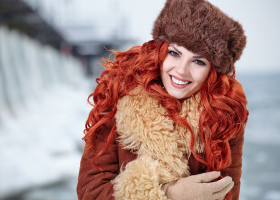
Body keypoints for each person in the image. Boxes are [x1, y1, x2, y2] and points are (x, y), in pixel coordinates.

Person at [77, 0, 248, 199]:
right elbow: (90, 190)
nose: (182, 70)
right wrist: (168, 194)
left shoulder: (224, 115)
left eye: (198, 61)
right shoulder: (119, 94)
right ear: (160, 51)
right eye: (174, 53)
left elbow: (228, 194)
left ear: (212, 71)